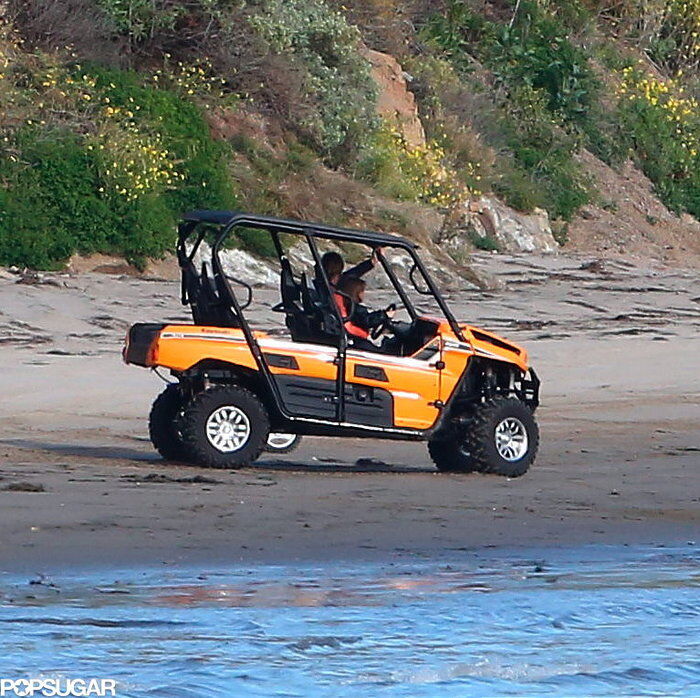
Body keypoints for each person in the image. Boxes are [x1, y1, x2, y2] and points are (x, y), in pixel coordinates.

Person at [335, 276, 395, 352]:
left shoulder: (348, 305)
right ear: (357, 293)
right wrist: (384, 315)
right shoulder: (355, 308)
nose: (364, 294)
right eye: (362, 291)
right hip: (358, 340)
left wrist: (381, 314)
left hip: (355, 338)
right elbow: (367, 320)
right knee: (384, 350)